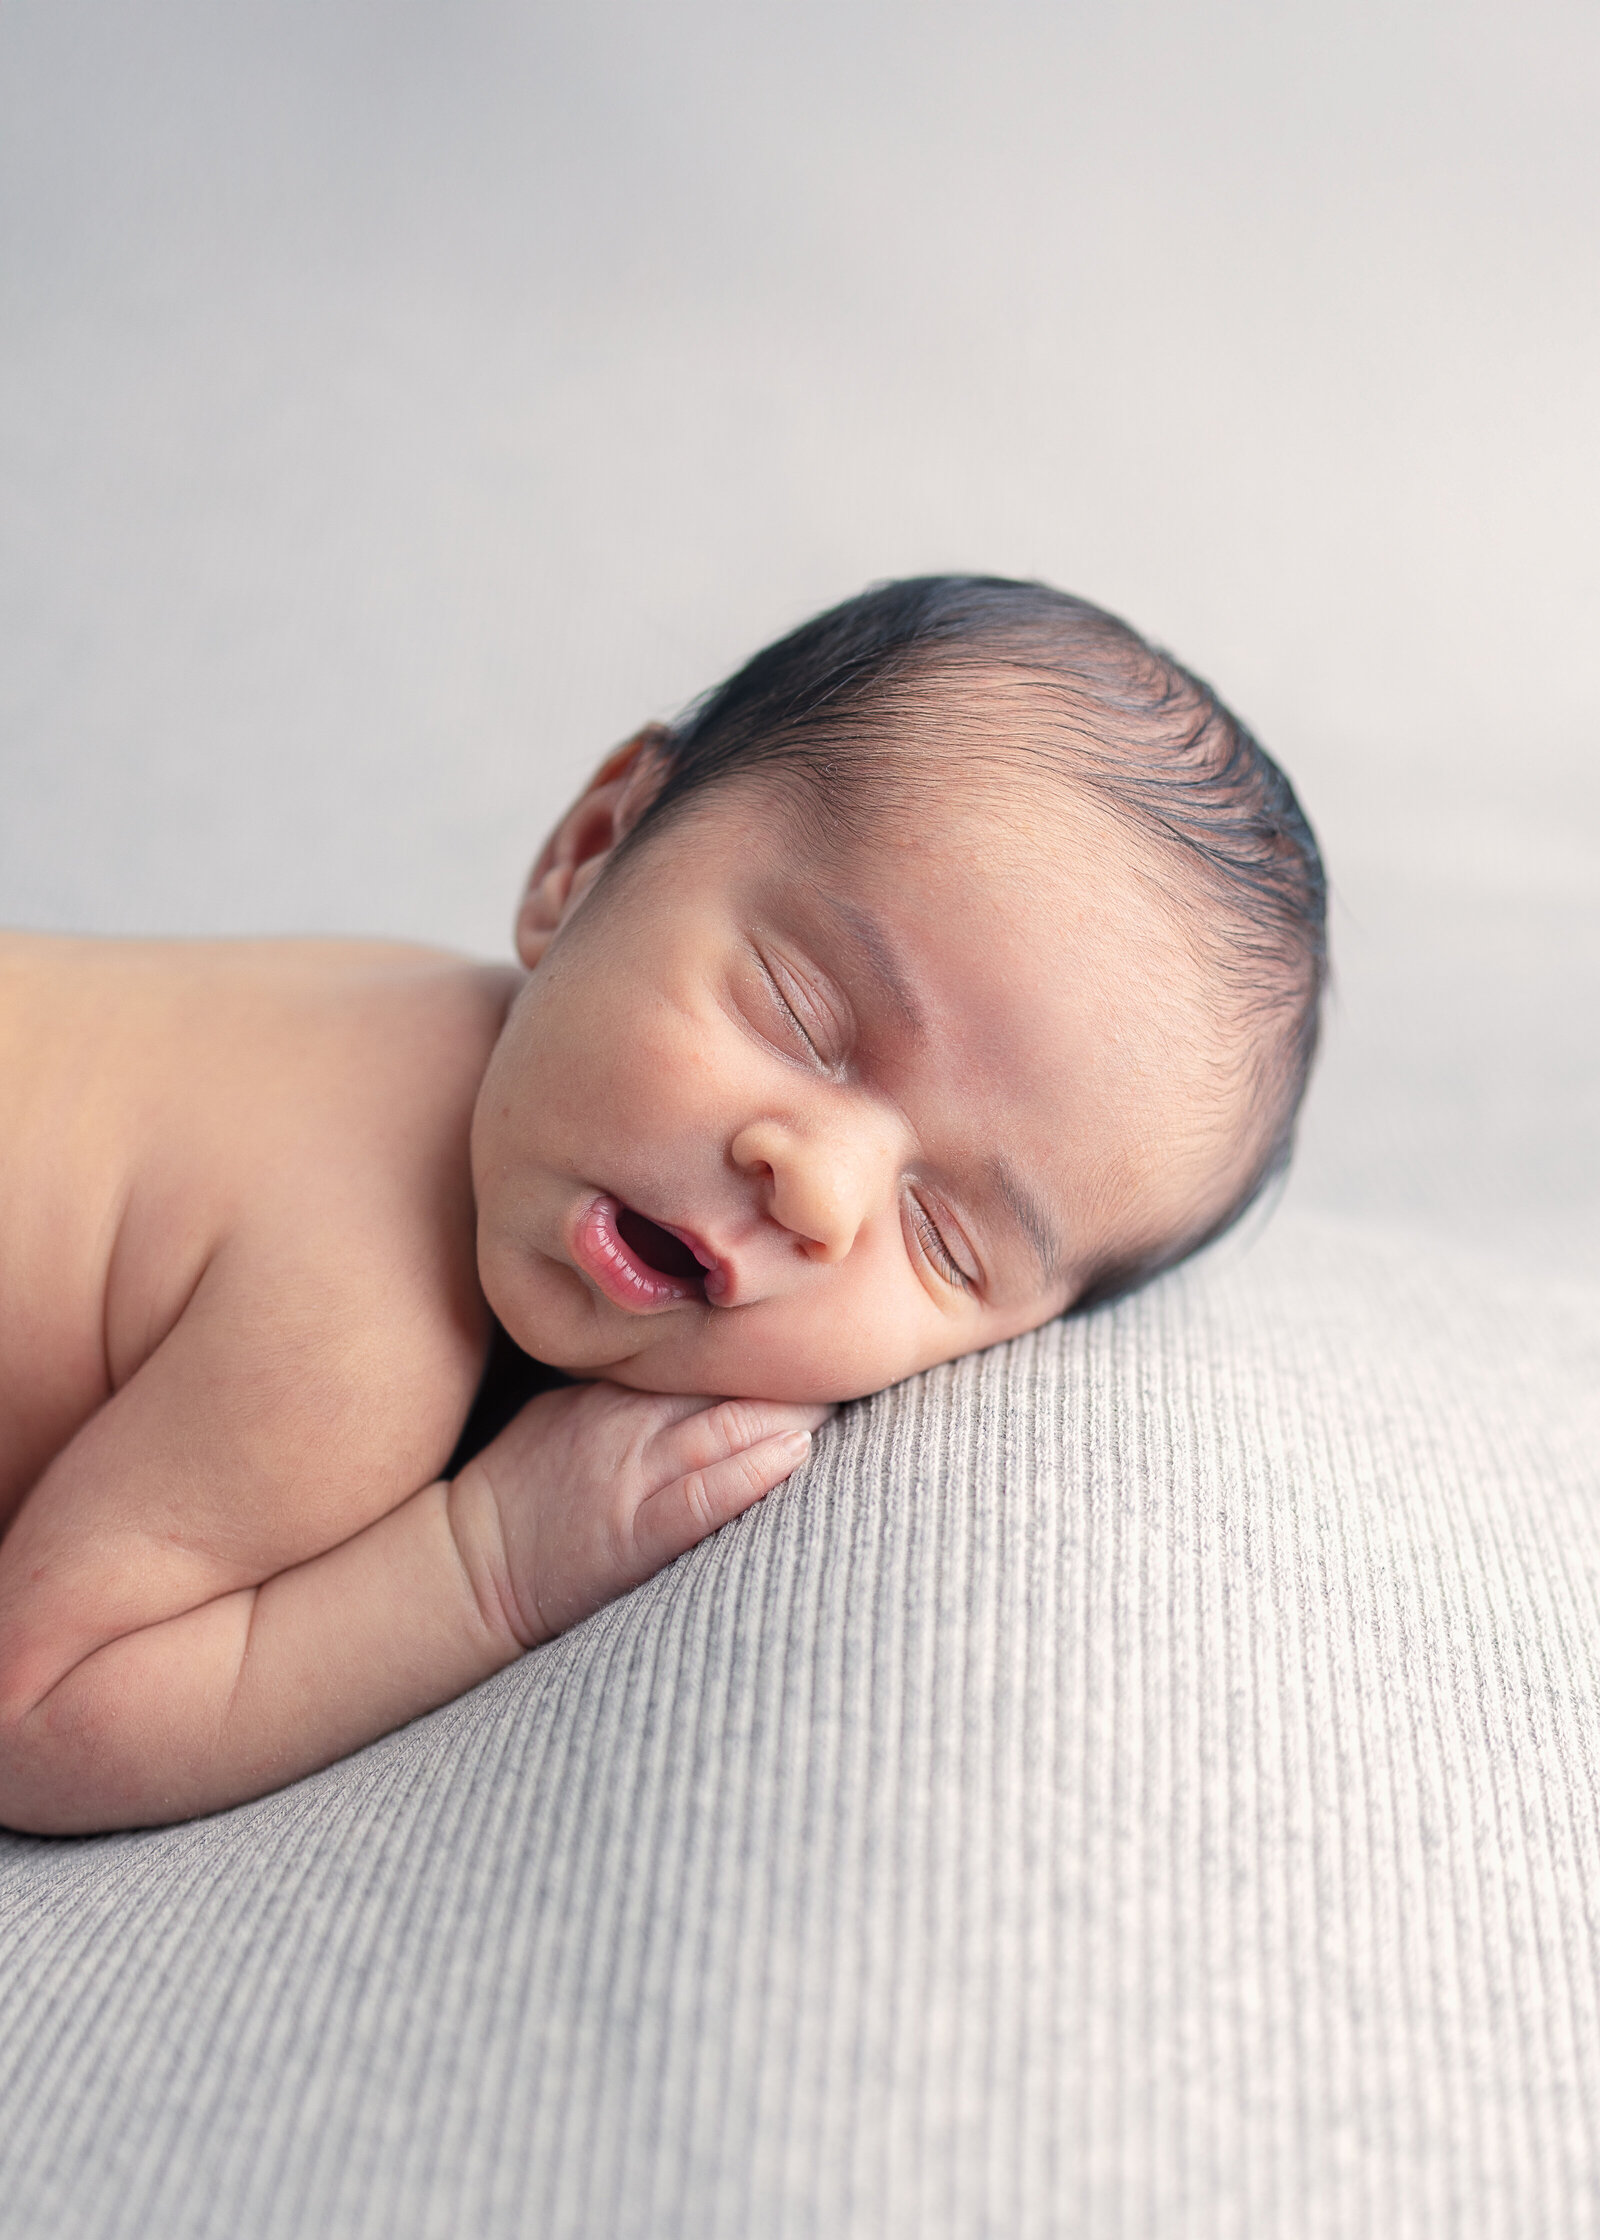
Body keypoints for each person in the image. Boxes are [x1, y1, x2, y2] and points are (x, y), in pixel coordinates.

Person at [0, 576, 1326, 1835]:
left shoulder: (432, 1024)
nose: (818, 1185)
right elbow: (43, 1711)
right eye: (804, 1015)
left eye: (946, 1239)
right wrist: (493, 1562)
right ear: (589, 855)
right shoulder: (362, 1316)